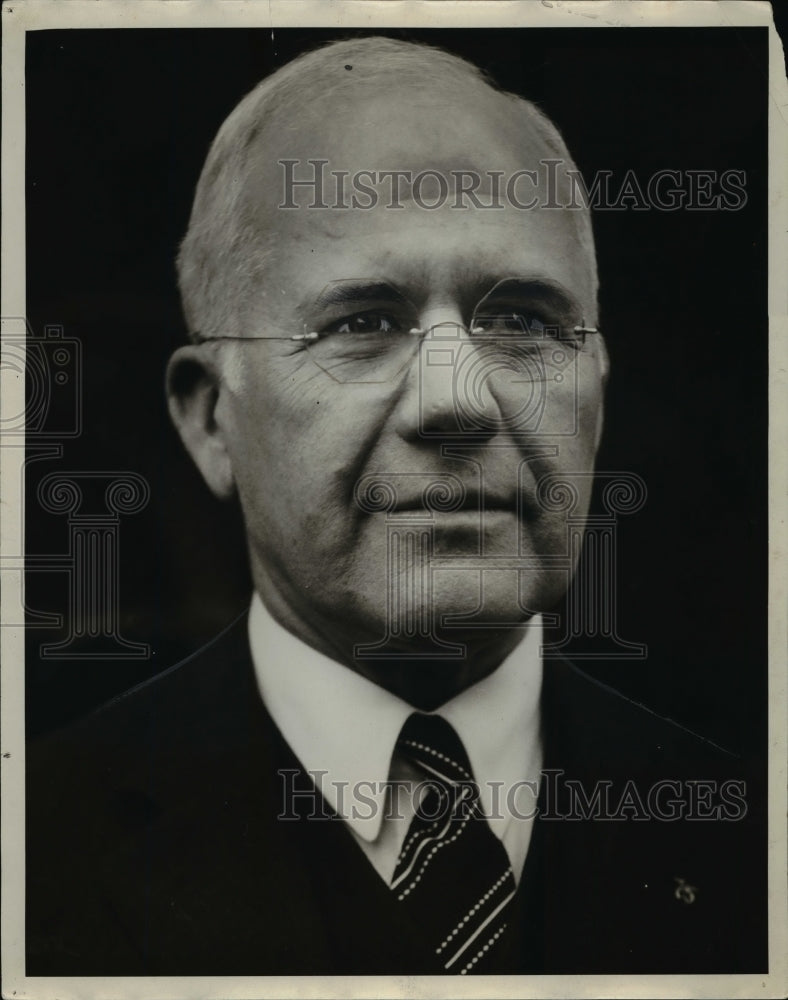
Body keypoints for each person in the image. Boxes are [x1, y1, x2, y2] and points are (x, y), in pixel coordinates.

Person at [26, 36, 765, 976]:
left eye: (521, 322)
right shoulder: (34, 853)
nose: (456, 401)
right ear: (213, 420)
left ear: (598, 395)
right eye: (363, 324)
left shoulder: (747, 841)